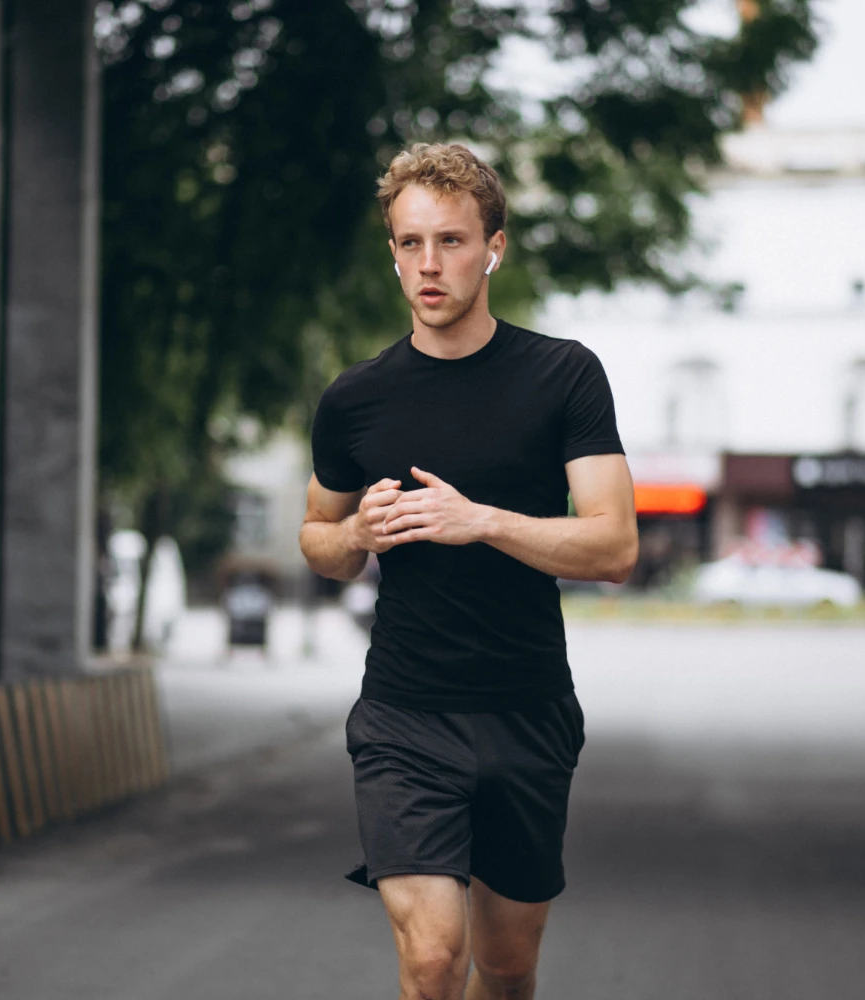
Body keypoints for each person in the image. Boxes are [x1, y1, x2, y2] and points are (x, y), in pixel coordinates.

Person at [299, 142, 638, 1000]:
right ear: (393, 254)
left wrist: (479, 521)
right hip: (405, 716)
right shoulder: (356, 399)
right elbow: (317, 534)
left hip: (528, 710)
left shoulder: (562, 376)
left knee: (508, 966)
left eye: (450, 241)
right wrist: (358, 538)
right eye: (410, 244)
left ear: (495, 245)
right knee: (433, 959)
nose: (428, 264)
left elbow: (615, 547)